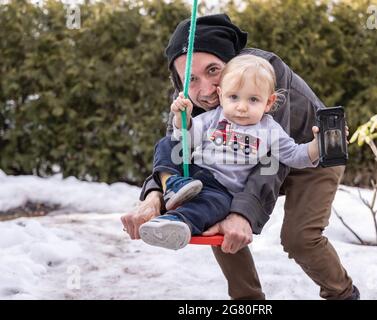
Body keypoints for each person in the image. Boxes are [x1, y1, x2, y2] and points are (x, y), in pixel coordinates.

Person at [121, 14, 359, 300]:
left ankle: (342, 294)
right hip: (239, 159)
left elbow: (273, 159)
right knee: (212, 209)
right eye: (191, 79)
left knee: (299, 238)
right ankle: (248, 303)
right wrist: (153, 196)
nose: (206, 91)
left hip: (306, 155)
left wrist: (242, 214)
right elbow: (176, 149)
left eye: (213, 71)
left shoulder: (266, 74)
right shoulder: (188, 98)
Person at [138, 55, 320, 250]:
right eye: (233, 97)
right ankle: (172, 184)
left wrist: (318, 145)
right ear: (221, 94)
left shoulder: (269, 130)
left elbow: (295, 155)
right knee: (167, 144)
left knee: (209, 207)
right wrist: (183, 118)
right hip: (192, 174)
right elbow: (187, 139)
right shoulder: (214, 117)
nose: (241, 107)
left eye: (253, 99)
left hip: (221, 189)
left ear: (268, 102)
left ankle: (174, 223)